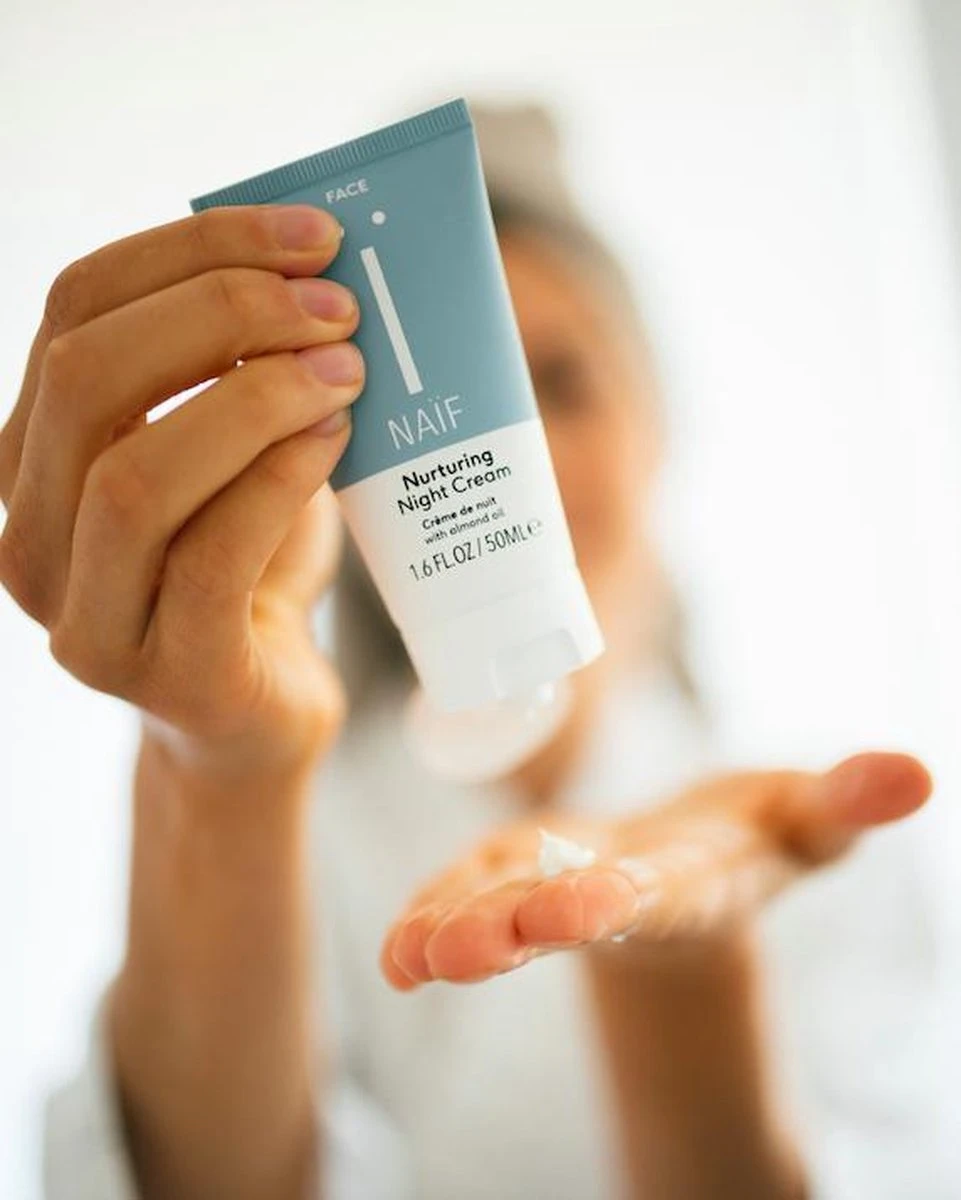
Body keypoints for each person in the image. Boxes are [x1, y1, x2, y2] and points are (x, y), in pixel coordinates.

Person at [0, 103, 945, 1200]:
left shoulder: (812, 831)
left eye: (564, 383)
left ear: (659, 420)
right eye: (465, 396)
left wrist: (683, 977)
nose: (527, 454)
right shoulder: (312, 840)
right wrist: (224, 769)